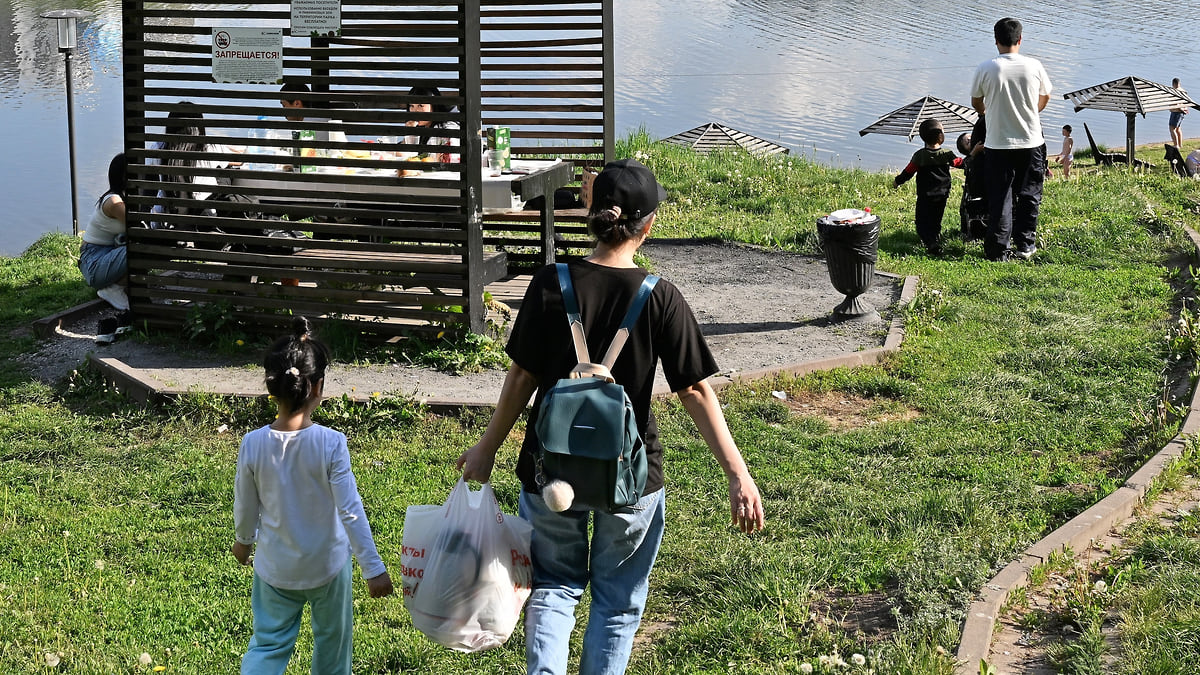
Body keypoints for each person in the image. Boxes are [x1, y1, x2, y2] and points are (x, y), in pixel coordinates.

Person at [456, 158, 765, 675]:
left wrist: (486, 448)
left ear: (590, 213)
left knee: (553, 586)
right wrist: (738, 472)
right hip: (630, 475)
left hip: (548, 468)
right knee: (617, 600)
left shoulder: (550, 282)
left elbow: (520, 378)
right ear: (647, 225)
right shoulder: (659, 296)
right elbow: (694, 390)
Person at [232, 316, 393, 675]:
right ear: (318, 386)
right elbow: (350, 511)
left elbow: (245, 503)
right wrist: (374, 569)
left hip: (275, 568)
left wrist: (244, 541)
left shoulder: (253, 443)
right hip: (327, 569)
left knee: (268, 644)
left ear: (271, 387)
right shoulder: (331, 443)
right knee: (333, 649)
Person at [970, 17, 1052, 262]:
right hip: (1031, 141)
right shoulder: (1034, 65)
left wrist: (990, 113)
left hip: (997, 143)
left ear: (996, 40)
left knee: (999, 196)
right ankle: (1026, 245)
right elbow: (1045, 95)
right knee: (1030, 194)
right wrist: (1031, 112)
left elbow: (976, 102)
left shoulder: (986, 67)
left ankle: (997, 249)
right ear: (1020, 39)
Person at [892, 118, 965, 256]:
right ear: (941, 137)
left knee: (922, 221)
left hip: (925, 195)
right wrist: (973, 154)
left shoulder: (920, 156)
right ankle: (935, 238)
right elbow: (960, 163)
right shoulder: (947, 154)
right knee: (936, 218)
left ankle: (930, 243)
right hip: (942, 194)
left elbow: (908, 172)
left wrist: (897, 182)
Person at [80, 153, 131, 313]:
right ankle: (114, 289)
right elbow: (138, 227)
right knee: (141, 247)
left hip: (108, 255)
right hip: (95, 261)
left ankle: (120, 286)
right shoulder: (114, 202)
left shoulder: (122, 197)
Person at [406, 85, 460, 164]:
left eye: (420, 105)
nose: (415, 111)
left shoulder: (445, 128)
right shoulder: (422, 127)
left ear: (433, 105)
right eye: (412, 106)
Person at [1169, 77, 1188, 148]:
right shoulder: (1183, 90)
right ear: (1179, 83)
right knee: (1178, 128)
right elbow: (1186, 101)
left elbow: (1177, 104)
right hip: (1181, 113)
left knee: (1172, 128)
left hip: (1176, 112)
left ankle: (1176, 145)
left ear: (1173, 84)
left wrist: (1181, 109)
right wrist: (1185, 109)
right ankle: (1180, 144)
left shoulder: (1175, 91)